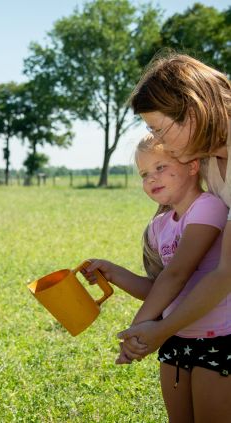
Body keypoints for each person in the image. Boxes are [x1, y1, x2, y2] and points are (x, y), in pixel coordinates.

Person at [83, 133, 231, 422]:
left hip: (218, 338)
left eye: (160, 167)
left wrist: (136, 331)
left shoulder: (208, 207)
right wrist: (113, 272)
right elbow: (161, 290)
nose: (151, 179)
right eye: (144, 174)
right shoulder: (159, 226)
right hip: (174, 337)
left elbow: (177, 274)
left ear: (191, 165)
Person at [116, 53, 231, 365]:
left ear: (191, 111)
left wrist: (159, 330)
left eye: (158, 128)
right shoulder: (208, 159)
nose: (157, 139)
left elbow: (225, 274)